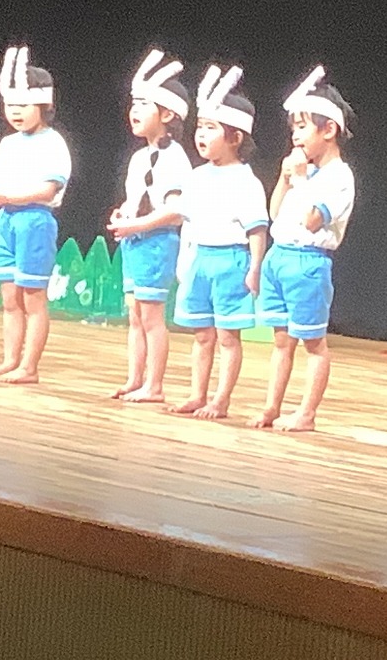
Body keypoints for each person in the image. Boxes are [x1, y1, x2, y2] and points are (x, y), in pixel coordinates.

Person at [253, 65, 356, 432]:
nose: (295, 136)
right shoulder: (304, 172)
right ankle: (271, 407)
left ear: (328, 130)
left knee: (313, 342)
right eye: (293, 128)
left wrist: (299, 179)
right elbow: (274, 212)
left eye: (302, 127)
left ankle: (307, 413)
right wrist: (285, 179)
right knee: (281, 341)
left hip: (308, 262)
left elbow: (313, 220)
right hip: (279, 257)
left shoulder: (339, 177)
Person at [163, 65, 268, 418]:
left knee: (227, 336)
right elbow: (186, 223)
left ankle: (221, 400)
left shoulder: (246, 181)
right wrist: (185, 261)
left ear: (235, 137)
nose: (201, 135)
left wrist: (254, 268)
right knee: (202, 334)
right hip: (200, 259)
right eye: (200, 127)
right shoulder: (196, 177)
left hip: (231, 261)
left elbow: (256, 229)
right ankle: (197, 394)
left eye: (211, 128)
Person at [0, 46, 72, 385]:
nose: (15, 112)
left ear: (44, 105)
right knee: (9, 297)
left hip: (34, 220)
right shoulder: (8, 143)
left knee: (32, 297)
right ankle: (10, 360)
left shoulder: (53, 142)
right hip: (6, 219)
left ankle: (29, 366)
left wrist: (7, 197)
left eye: (23, 105)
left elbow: (47, 190)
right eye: (10, 105)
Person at [107, 49, 193, 403]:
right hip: (135, 241)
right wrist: (124, 215)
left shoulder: (176, 158)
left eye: (144, 104)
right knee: (136, 315)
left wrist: (138, 223)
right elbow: (137, 198)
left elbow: (175, 210)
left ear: (167, 114)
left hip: (158, 242)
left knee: (152, 316)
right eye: (134, 104)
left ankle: (154, 386)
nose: (135, 111)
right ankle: (135, 378)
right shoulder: (138, 157)